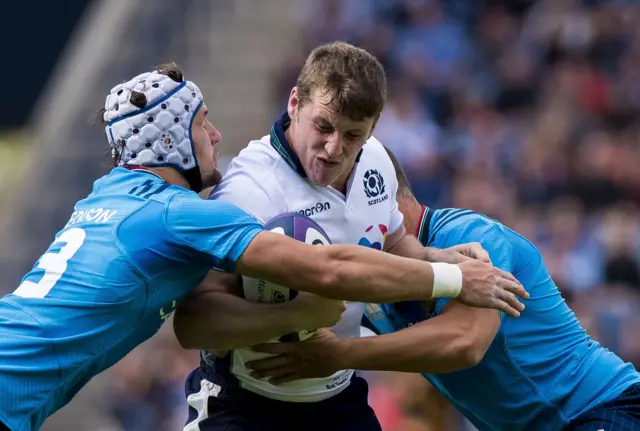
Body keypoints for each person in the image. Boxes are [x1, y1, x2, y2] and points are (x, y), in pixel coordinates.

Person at [0, 64, 526, 431]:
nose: (216, 133)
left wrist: (433, 256)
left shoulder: (106, 197)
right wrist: (456, 280)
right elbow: (331, 270)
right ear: (171, 141)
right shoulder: (181, 214)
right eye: (202, 123)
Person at [175, 42, 524, 431]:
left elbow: (391, 246)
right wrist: (293, 315)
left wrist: (438, 259)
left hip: (338, 398)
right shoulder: (249, 190)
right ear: (294, 104)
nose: (334, 148)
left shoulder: (376, 161)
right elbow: (194, 321)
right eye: (323, 126)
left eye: (353, 134)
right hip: (245, 404)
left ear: (373, 129)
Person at [246, 146, 640, 431]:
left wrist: (341, 354)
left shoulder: (470, 234)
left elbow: (465, 341)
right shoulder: (371, 275)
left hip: (602, 407)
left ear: (381, 198)